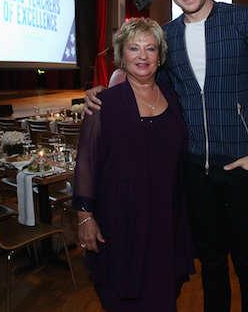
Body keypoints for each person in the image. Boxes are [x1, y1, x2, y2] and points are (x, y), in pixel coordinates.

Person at [85, 0, 248, 312]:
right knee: (210, 266)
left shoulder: (244, 20)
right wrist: (105, 88)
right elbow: (140, 75)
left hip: (245, 167)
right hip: (194, 174)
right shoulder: (168, 37)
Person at [72, 17, 195, 311]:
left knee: (164, 297)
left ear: (160, 56)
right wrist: (84, 218)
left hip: (167, 219)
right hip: (121, 222)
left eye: (150, 49)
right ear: (121, 55)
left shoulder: (174, 97)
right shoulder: (104, 102)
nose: (142, 56)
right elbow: (86, 163)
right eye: (134, 48)